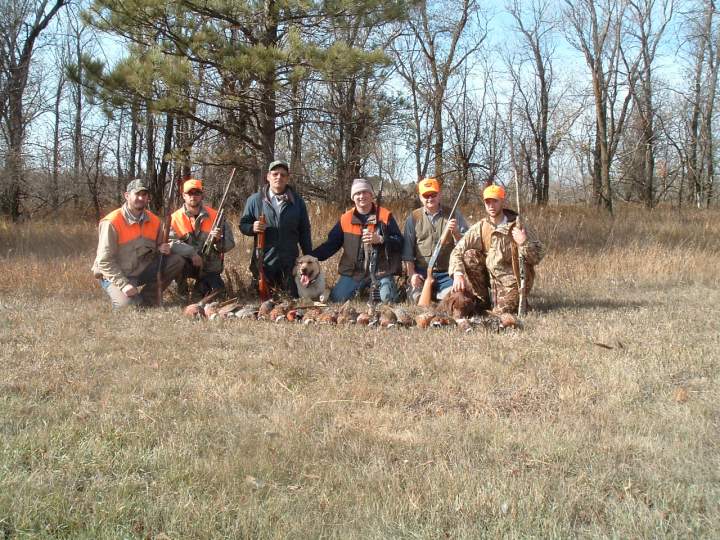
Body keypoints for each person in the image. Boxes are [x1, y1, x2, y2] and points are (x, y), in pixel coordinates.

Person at [449, 184, 545, 314]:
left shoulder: (517, 225)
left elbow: (538, 257)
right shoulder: (481, 226)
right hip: (491, 278)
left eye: (495, 201)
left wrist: (524, 243)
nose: (491, 206)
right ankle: (482, 300)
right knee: (469, 255)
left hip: (513, 280)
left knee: (499, 314)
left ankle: (515, 300)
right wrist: (458, 274)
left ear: (502, 202)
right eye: (488, 202)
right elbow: (457, 251)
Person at [91, 178, 184, 308]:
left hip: (140, 270)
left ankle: (148, 299)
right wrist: (124, 285)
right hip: (116, 274)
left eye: (144, 195)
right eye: (137, 194)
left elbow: (158, 248)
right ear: (127, 196)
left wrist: (162, 248)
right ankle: (130, 298)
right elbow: (104, 261)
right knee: (127, 307)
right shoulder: (112, 222)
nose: (141, 198)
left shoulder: (155, 221)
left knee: (176, 261)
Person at [311, 178, 403, 303]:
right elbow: (331, 245)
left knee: (388, 300)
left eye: (365, 192)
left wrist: (381, 239)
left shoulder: (385, 215)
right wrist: (311, 256)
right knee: (337, 298)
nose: (362, 196)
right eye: (358, 193)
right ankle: (362, 288)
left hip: (380, 271)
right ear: (353, 197)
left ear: (371, 195)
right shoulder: (345, 219)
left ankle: (379, 287)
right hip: (354, 272)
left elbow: (399, 242)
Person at [239, 160, 312, 297]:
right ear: (268, 176)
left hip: (289, 262)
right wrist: (252, 227)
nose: (279, 177)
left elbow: (304, 231)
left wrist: (309, 256)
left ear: (287, 178)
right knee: (260, 297)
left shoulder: (298, 202)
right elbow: (243, 225)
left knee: (291, 297)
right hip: (264, 262)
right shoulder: (254, 200)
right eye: (275, 174)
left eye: (283, 175)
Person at [402, 176, 469, 303]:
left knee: (454, 299)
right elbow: (407, 253)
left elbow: (465, 246)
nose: (430, 198)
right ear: (420, 197)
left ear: (440, 195)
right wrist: (412, 275)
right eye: (426, 195)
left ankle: (439, 295)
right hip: (422, 272)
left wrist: (455, 233)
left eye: (433, 194)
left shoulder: (453, 214)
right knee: (417, 300)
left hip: (447, 273)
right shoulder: (413, 218)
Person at [169, 178, 235, 298]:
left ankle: (199, 289)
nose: (193, 196)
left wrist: (218, 240)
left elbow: (230, 244)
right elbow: (170, 243)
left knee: (218, 296)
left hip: (209, 268)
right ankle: (181, 292)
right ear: (183, 195)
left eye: (197, 193)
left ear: (202, 195)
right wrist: (192, 254)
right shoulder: (174, 218)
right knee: (176, 261)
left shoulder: (216, 216)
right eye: (190, 193)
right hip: (187, 265)